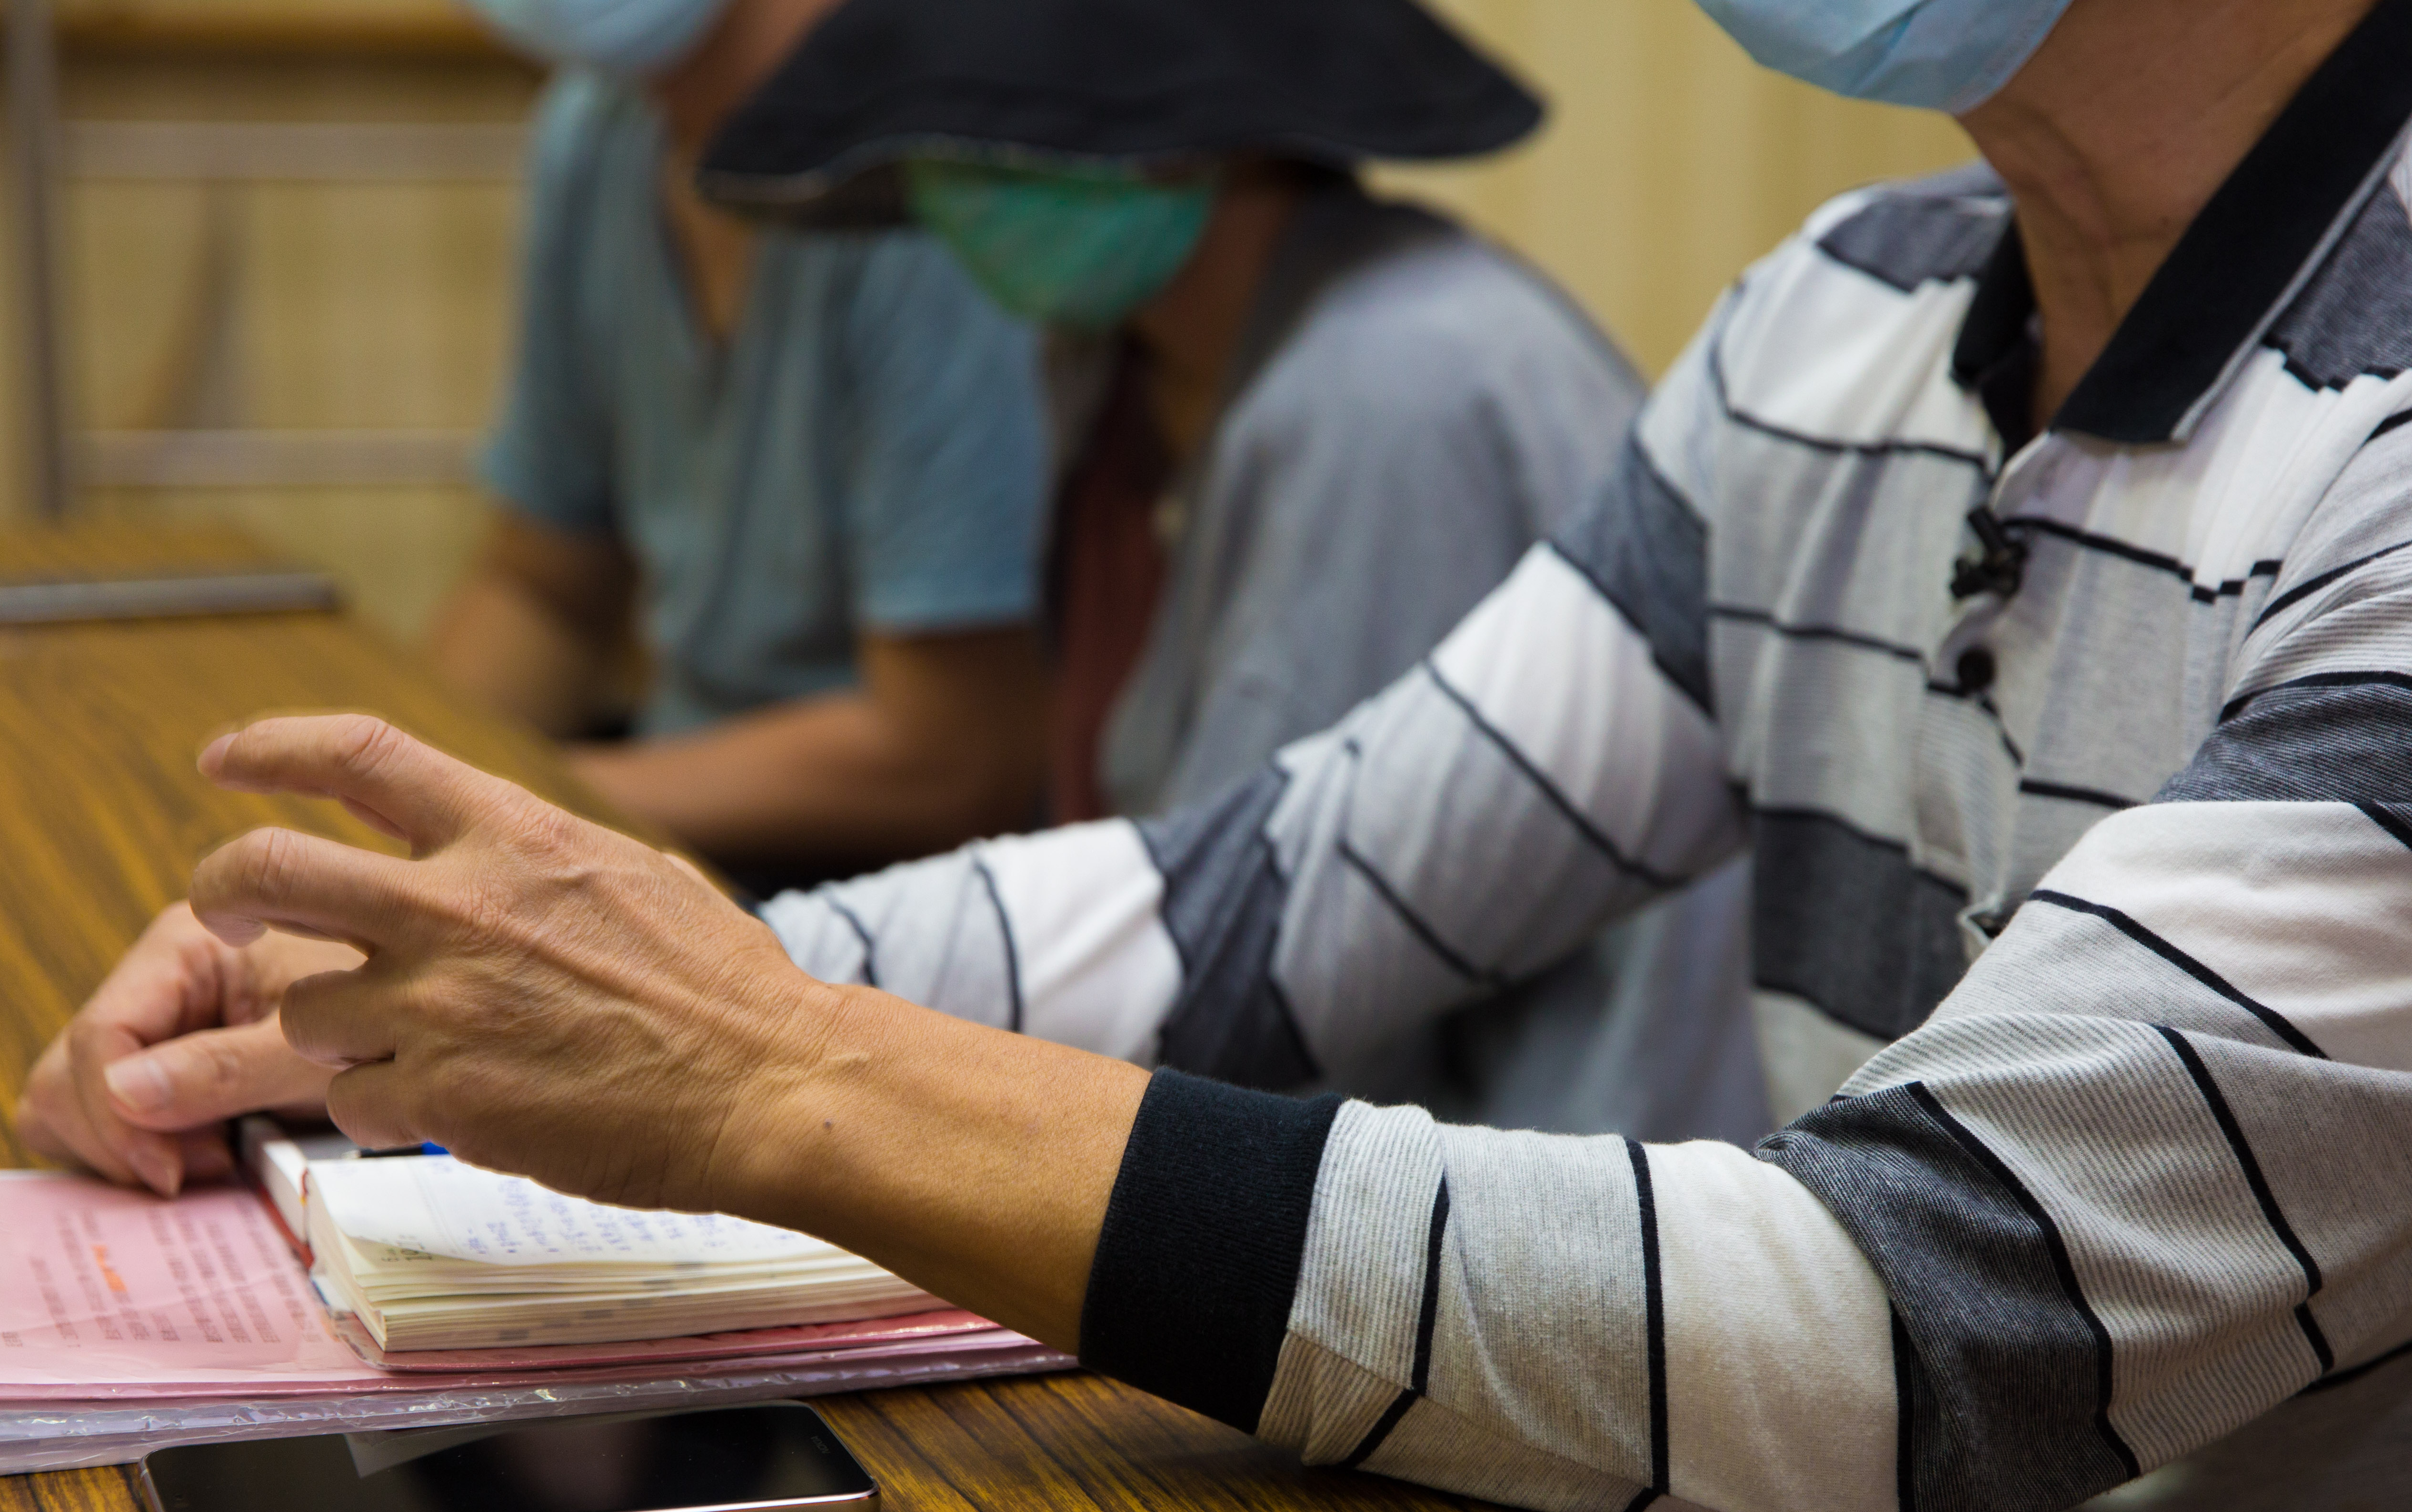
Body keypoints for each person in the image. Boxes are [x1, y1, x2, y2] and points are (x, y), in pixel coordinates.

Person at [18, 0, 2412, 1512]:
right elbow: (1270, 905)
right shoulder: (1840, 327)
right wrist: (455, 997)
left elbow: (1895, 1349)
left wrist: (761, 1071)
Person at [701, 0, 1769, 1139]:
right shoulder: (1117, 366)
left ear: (1188, 142)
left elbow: (1302, 977)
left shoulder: (1389, 385)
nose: (952, 192)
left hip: (1539, 1177)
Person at [438, 0, 1051, 880]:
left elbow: (952, 760)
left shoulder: (930, 174)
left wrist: (528, 803)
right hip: (660, 842)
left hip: (897, 911)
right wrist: (389, 783)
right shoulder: (598, 135)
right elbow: (543, 586)